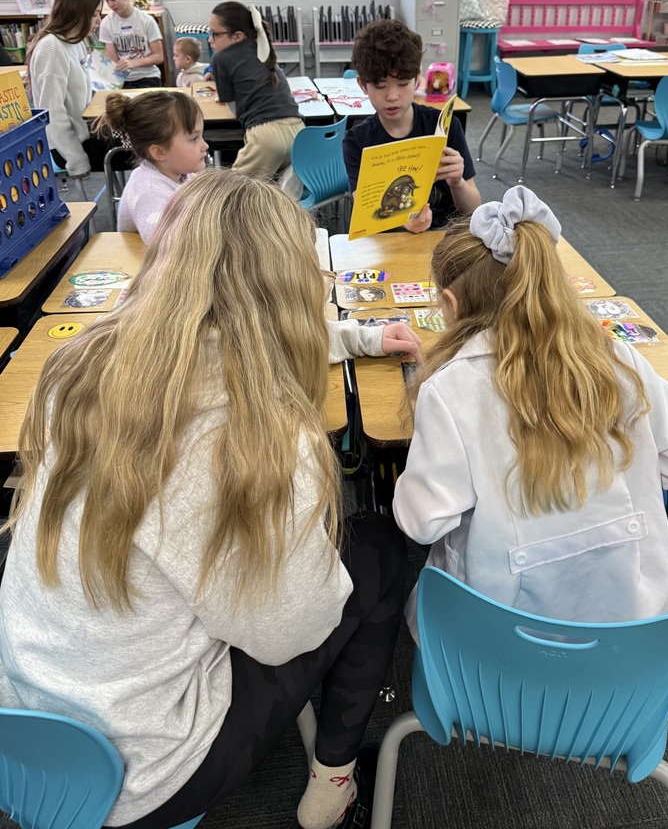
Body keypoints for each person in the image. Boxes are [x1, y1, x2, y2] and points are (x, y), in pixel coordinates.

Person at [0, 169, 412, 829]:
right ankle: (333, 782)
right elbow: (290, 636)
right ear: (293, 289)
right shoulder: (264, 436)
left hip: (23, 737)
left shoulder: (75, 367)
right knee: (381, 551)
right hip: (148, 775)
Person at [393, 186, 668, 638]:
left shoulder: (449, 391)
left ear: (451, 304)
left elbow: (422, 521)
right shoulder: (619, 360)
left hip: (495, 660)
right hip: (628, 655)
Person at [343, 20, 480, 233]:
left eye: (403, 84)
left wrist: (458, 183)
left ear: (417, 78)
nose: (392, 96)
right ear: (362, 85)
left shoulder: (445, 126)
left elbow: (473, 209)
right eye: (380, 86)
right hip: (391, 244)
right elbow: (367, 216)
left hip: (445, 238)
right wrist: (403, 223)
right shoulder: (357, 141)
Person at [207, 1, 303, 196]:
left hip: (266, 138)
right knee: (271, 195)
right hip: (298, 133)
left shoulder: (220, 58)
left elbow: (234, 111)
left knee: (231, 195)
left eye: (215, 34)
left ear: (237, 36)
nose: (210, 40)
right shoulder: (263, 49)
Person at [94, 91, 209, 243]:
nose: (205, 145)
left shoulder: (181, 174)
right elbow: (167, 244)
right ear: (159, 152)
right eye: (194, 139)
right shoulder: (148, 192)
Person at [27, 0, 103, 178]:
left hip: (87, 131)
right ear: (78, 13)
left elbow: (83, 92)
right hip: (73, 146)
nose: (99, 20)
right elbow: (51, 113)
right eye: (95, 14)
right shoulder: (51, 48)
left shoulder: (75, 41)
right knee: (147, 144)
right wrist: (76, 160)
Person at [99, 0, 164, 88]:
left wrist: (133, 63)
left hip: (148, 76)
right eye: (107, 1)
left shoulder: (146, 21)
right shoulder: (106, 23)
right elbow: (113, 59)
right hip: (123, 78)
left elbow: (159, 56)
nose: (110, 5)